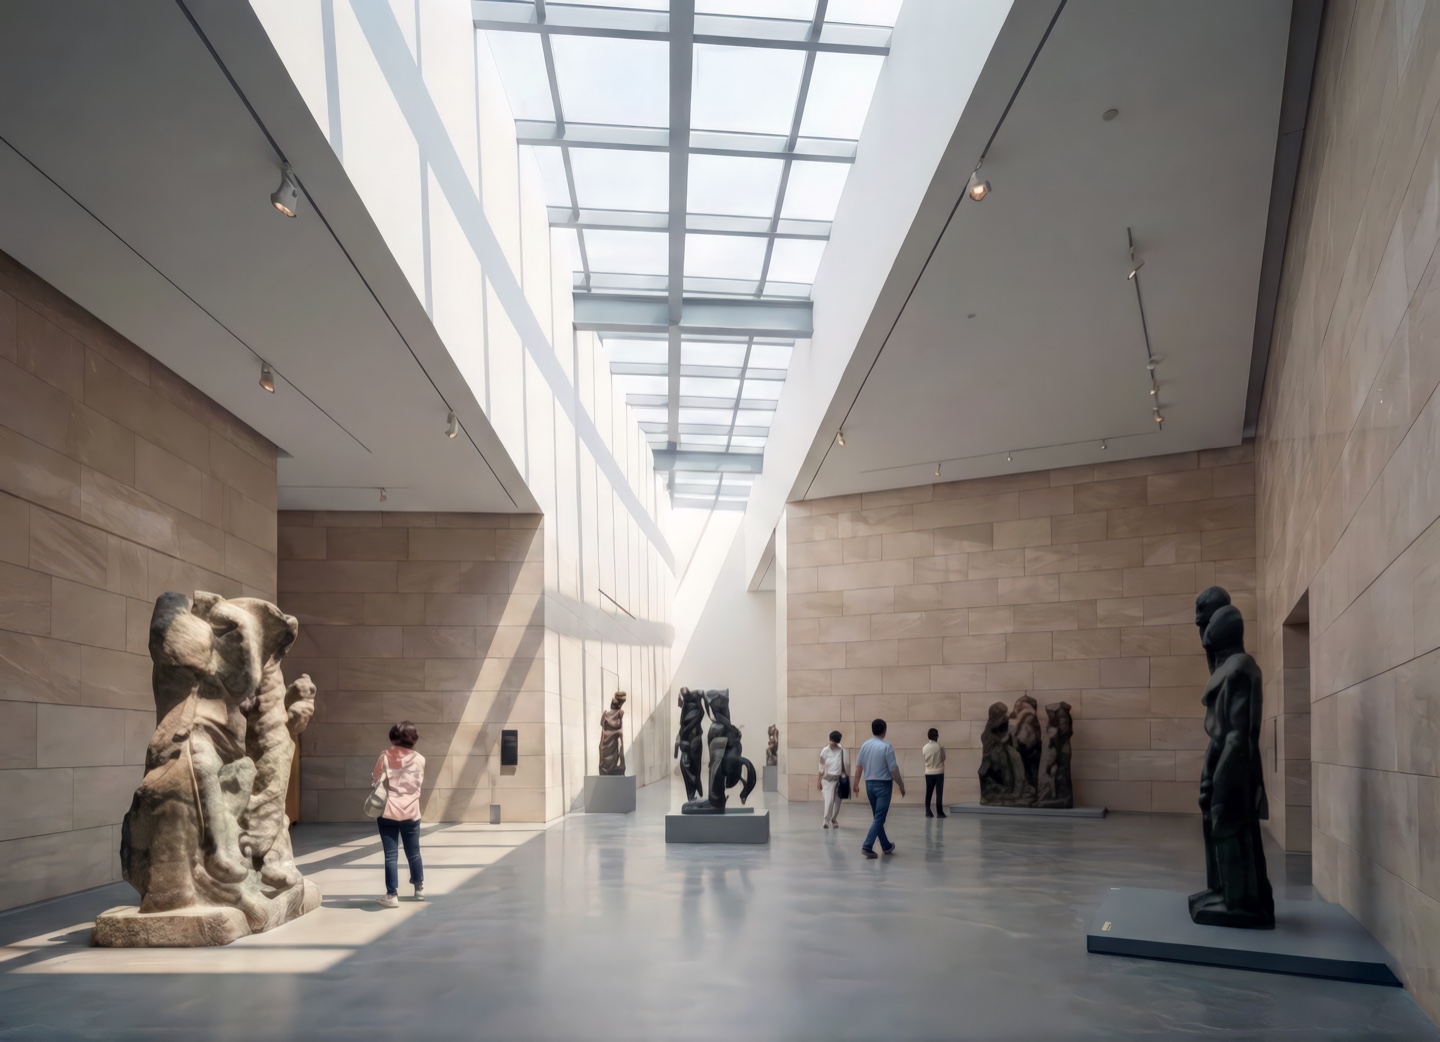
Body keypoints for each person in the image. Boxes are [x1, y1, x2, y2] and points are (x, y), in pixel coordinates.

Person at [373, 721, 426, 907]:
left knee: (390, 855)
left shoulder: (384, 756)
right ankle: (419, 889)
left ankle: (392, 895)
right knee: (414, 852)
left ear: (393, 737)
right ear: (414, 738)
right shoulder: (420, 759)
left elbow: (375, 778)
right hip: (412, 811)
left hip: (388, 811)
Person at [853, 718, 905, 859]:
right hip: (883, 786)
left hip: (869, 784)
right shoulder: (886, 746)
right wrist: (901, 784)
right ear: (884, 730)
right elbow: (893, 770)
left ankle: (886, 846)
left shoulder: (865, 745)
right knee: (879, 818)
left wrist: (856, 783)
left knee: (877, 817)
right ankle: (867, 845)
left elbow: (859, 766)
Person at [816, 731, 848, 828]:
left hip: (839, 779)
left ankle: (834, 819)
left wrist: (845, 777)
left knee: (838, 801)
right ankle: (826, 821)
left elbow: (846, 765)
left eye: (833, 741)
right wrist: (819, 780)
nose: (831, 742)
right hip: (828, 779)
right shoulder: (825, 751)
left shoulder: (842, 751)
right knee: (829, 800)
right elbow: (821, 766)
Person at [922, 727, 947, 818]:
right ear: (937, 736)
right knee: (939, 793)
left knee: (929, 792)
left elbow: (925, 758)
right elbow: (943, 758)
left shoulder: (924, 747)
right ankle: (939, 812)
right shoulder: (939, 747)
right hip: (939, 772)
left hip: (928, 772)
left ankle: (928, 811)